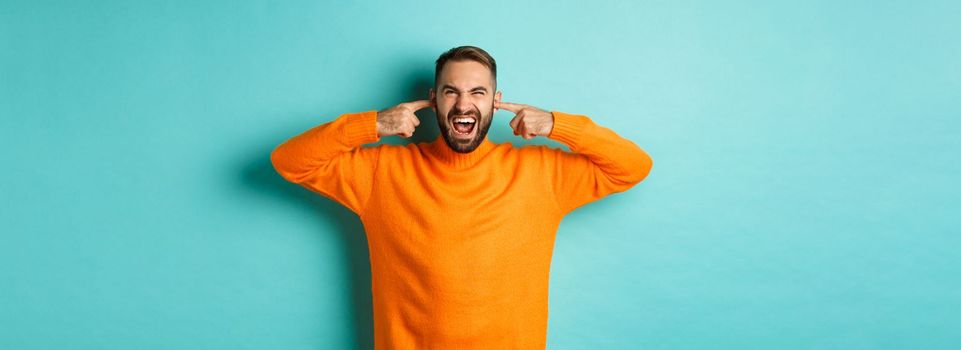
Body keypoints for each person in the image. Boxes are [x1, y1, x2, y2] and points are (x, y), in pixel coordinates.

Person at [270, 45, 653, 349]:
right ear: (434, 99)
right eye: (452, 92)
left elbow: (633, 166)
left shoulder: (540, 175)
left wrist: (557, 124)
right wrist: (373, 124)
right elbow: (289, 161)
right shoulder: (380, 172)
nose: (463, 104)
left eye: (477, 92)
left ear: (495, 101)